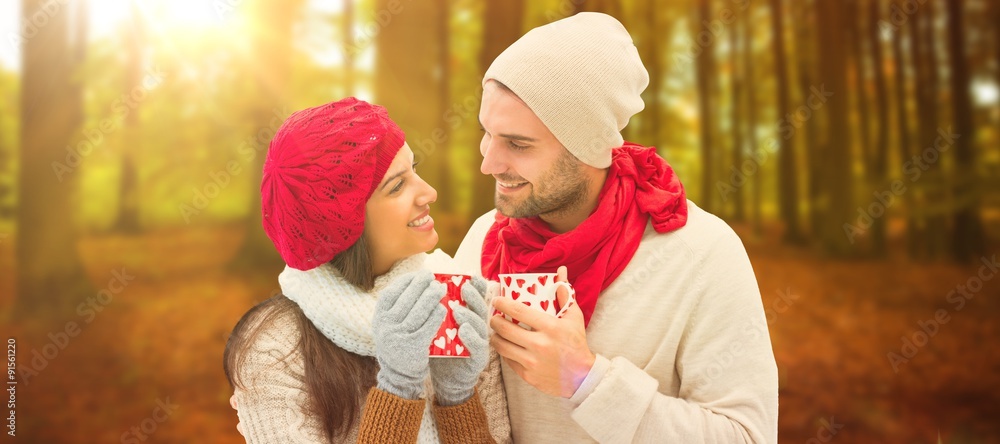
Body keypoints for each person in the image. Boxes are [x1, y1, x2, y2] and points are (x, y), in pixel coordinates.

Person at [452, 12, 779, 443]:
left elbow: (748, 437)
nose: (488, 163)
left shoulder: (703, 254)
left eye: (518, 144)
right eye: (487, 134)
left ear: (587, 147)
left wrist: (587, 383)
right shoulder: (484, 241)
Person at [224, 97, 511, 443]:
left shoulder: (459, 303)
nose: (429, 193)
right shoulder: (275, 350)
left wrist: (458, 397)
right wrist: (398, 388)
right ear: (344, 223)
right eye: (397, 186)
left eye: (414, 169)